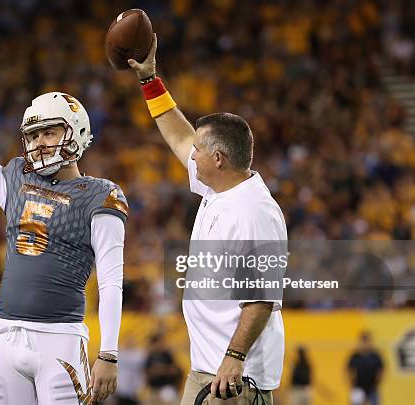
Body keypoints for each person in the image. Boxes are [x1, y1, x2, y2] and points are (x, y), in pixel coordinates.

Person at [0, 31, 128, 405]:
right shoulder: (16, 180)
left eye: (49, 132)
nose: (39, 142)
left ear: (74, 132)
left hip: (60, 338)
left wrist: (109, 352)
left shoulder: (99, 194)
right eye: (33, 135)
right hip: (4, 333)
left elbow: (111, 281)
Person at [128, 35, 287, 405]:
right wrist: (150, 81)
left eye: (199, 151)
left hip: (234, 377)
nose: (191, 156)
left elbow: (262, 298)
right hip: (209, 369)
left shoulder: (253, 213)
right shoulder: (220, 187)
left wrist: (234, 359)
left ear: (218, 160)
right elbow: (180, 136)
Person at [143, 333, 182, 405]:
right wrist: (165, 370)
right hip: (154, 389)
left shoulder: (167, 355)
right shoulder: (150, 356)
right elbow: (148, 372)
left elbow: (174, 370)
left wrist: (158, 370)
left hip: (167, 388)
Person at [348, 332, 384, 405]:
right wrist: (351, 383)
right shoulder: (355, 356)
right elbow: (348, 370)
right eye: (363, 341)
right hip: (358, 387)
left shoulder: (375, 356)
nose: (365, 344)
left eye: (367, 341)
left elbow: (381, 370)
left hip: (372, 388)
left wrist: (377, 382)